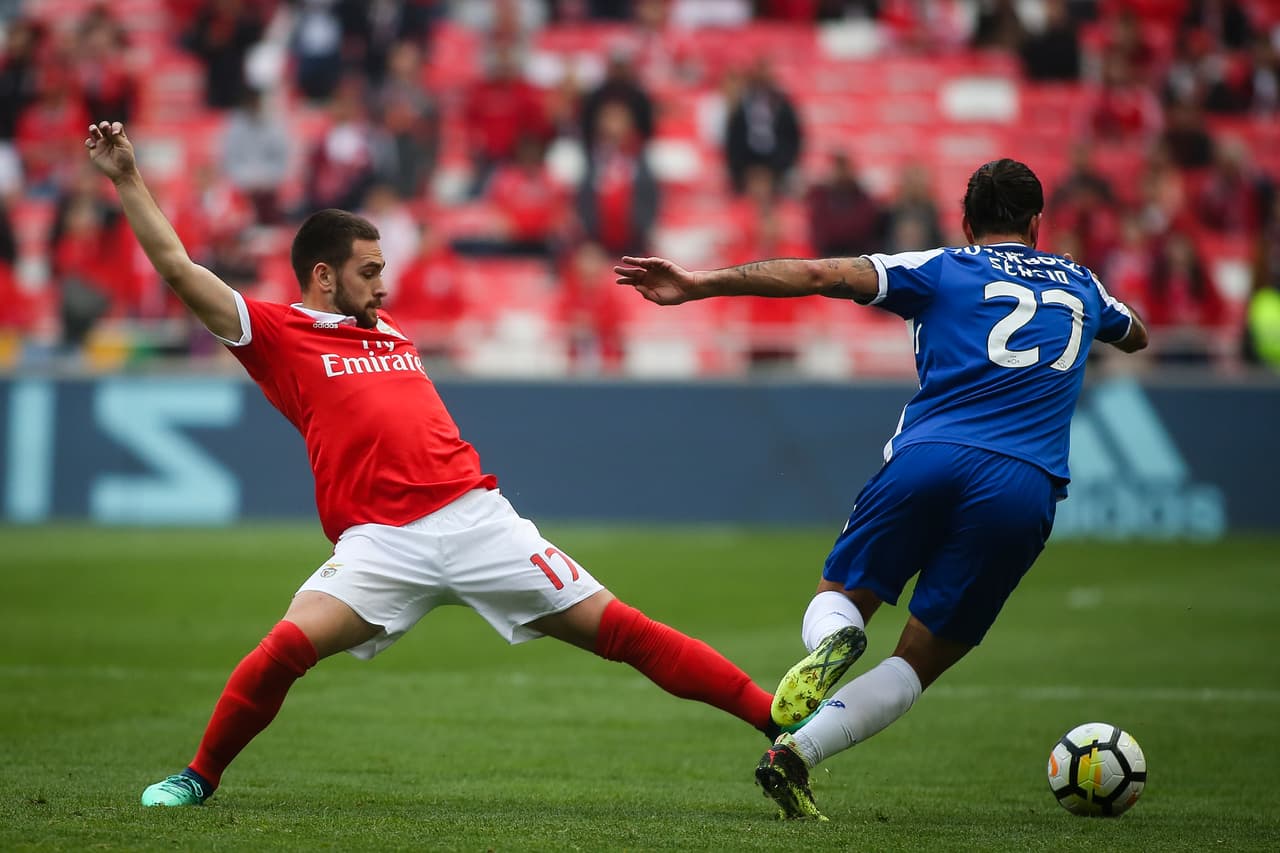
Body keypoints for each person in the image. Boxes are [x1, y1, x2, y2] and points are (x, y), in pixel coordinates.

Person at [83, 120, 848, 808]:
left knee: (627, 631)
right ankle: (198, 776)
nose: (384, 281)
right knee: (285, 646)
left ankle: (775, 717)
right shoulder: (278, 335)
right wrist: (127, 176)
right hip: (381, 543)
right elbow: (181, 270)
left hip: (478, 519)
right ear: (323, 276)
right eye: (368, 269)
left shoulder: (386, 330)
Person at [615, 158, 1150, 820]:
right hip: (1025, 484)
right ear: (1037, 224)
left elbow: (816, 273)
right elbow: (1134, 332)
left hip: (929, 457)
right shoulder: (1081, 281)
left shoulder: (945, 266)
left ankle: (833, 639)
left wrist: (700, 284)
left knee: (839, 597)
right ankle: (797, 754)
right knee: (919, 660)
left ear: (965, 221)